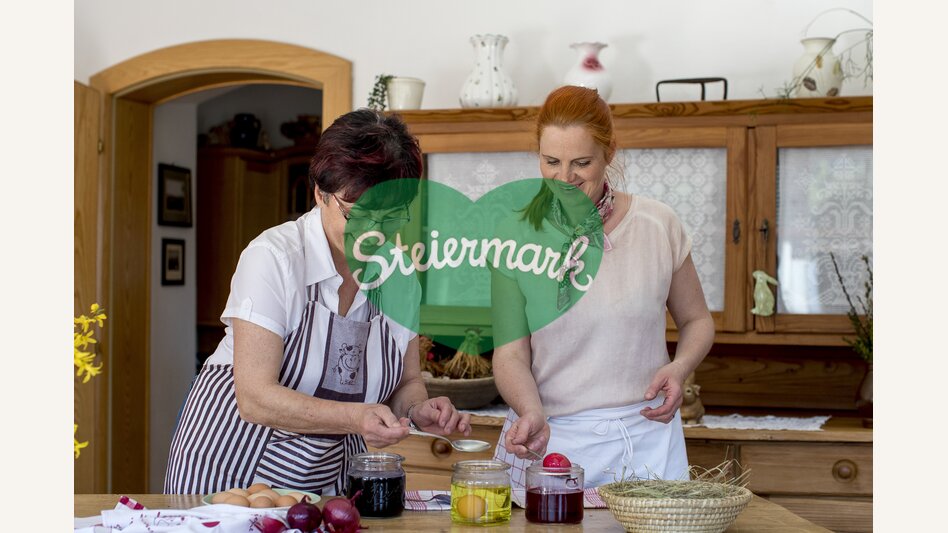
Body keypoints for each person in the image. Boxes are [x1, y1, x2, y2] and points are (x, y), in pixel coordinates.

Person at [165, 109, 470, 495]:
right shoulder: (274, 258)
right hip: (229, 471)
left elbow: (407, 382)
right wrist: (355, 417)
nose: (375, 232)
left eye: (393, 214)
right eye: (358, 212)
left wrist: (417, 410)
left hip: (322, 479)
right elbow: (255, 397)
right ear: (320, 193)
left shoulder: (400, 278)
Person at [491, 86, 715, 489]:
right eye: (551, 162)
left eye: (581, 163)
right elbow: (509, 352)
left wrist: (680, 369)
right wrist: (529, 411)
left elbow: (698, 320)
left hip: (648, 441)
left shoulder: (658, 225)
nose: (564, 178)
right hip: (554, 443)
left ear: (609, 153)